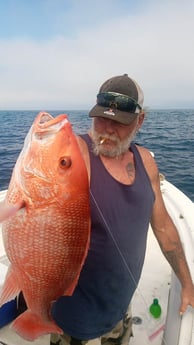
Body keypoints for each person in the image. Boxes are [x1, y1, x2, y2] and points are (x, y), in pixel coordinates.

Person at [50, 74, 194, 345]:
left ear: (140, 121)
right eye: (101, 118)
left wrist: (187, 283)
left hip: (119, 308)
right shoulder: (74, 153)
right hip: (73, 315)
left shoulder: (146, 162)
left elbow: (163, 228)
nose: (107, 129)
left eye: (119, 122)